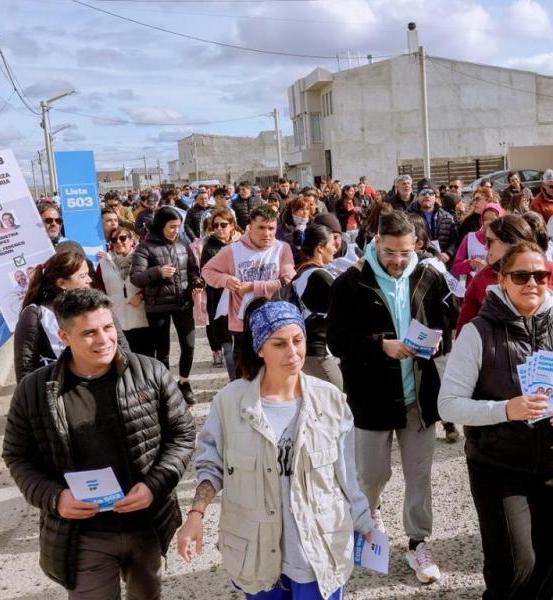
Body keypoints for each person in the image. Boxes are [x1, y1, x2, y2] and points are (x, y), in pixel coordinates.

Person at [439, 241, 553, 599]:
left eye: (541, 275)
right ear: (501, 279)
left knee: (547, 566)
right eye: (521, 275)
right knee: (513, 568)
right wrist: (505, 409)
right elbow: (448, 405)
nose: (532, 282)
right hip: (498, 468)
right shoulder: (477, 332)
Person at [2, 287, 195, 599]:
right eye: (89, 333)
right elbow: (17, 455)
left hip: (145, 524)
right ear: (64, 336)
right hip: (82, 535)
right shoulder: (35, 390)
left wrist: (153, 486)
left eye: (108, 327)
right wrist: (55, 498)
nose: (104, 340)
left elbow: (182, 435)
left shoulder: (150, 372)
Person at [176, 298, 373, 599]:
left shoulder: (330, 399)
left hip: (316, 550)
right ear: (260, 349)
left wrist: (366, 524)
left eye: (298, 340)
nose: (293, 353)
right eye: (279, 344)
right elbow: (210, 465)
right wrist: (195, 514)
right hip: (254, 553)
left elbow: (347, 475)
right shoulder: (230, 402)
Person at [327, 211, 456, 585]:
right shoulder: (350, 283)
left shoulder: (430, 276)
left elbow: (446, 322)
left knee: (420, 476)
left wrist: (435, 341)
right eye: (389, 253)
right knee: (371, 476)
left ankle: (418, 542)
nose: (398, 260)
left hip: (418, 395)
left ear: (416, 243)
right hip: (371, 398)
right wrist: (379, 346)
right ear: (375, 241)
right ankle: (371, 521)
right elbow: (336, 340)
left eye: (405, 252)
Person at [201, 204, 296, 379]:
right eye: (261, 228)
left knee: (274, 377)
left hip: (274, 322)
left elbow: (287, 279)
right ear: (250, 227)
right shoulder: (233, 250)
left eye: (271, 228)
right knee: (244, 378)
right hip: (243, 326)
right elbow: (207, 271)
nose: (266, 233)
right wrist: (226, 280)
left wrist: (253, 286)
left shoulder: (282, 248)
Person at [456, 214, 553, 335]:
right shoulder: (481, 279)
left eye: (490, 241)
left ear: (509, 242)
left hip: (548, 358)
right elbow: (464, 330)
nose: (485, 247)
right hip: (498, 358)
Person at [130, 206, 203, 405]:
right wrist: (157, 272)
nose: (176, 231)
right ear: (161, 226)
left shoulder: (183, 245)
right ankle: (165, 387)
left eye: (178, 227)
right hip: (158, 307)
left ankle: (184, 382)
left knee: (188, 345)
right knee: (162, 351)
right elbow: (136, 278)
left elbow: (193, 270)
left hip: (183, 303)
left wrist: (197, 282)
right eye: (172, 227)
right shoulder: (145, 247)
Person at [13, 249, 93, 382]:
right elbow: (25, 366)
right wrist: (32, 400)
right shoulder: (35, 314)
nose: (89, 280)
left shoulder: (97, 306)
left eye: (88, 274)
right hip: (58, 394)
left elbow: (120, 345)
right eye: (83, 276)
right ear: (62, 283)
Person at [291, 225, 342, 390]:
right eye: (331, 243)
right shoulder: (319, 276)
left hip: (310, 348)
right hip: (317, 350)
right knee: (339, 397)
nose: (335, 247)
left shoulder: (302, 271)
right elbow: (348, 302)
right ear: (320, 247)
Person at [95, 227, 153, 357]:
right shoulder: (103, 264)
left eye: (122, 238)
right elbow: (98, 291)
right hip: (117, 322)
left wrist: (142, 295)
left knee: (146, 359)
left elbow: (154, 283)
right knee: (124, 360)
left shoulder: (143, 259)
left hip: (142, 319)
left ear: (132, 240)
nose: (118, 242)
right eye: (114, 239)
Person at [200, 208, 241, 377]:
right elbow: (207, 274)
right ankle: (234, 383)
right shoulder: (209, 247)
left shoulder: (243, 243)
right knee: (228, 349)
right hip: (219, 302)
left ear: (232, 225)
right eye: (215, 225)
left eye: (223, 224)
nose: (219, 228)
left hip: (241, 300)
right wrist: (225, 279)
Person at [407, 183, 457, 264]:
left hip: (442, 261)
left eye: (430, 193)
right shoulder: (407, 217)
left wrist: (448, 253)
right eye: (423, 193)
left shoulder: (447, 217)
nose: (427, 196)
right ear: (417, 197)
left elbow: (454, 240)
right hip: (417, 261)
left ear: (435, 197)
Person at [451, 202, 503, 277]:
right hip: (473, 285)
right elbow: (455, 268)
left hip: (497, 286)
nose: (488, 222)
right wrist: (470, 264)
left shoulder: (505, 241)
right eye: (485, 219)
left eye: (493, 219)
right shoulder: (469, 238)